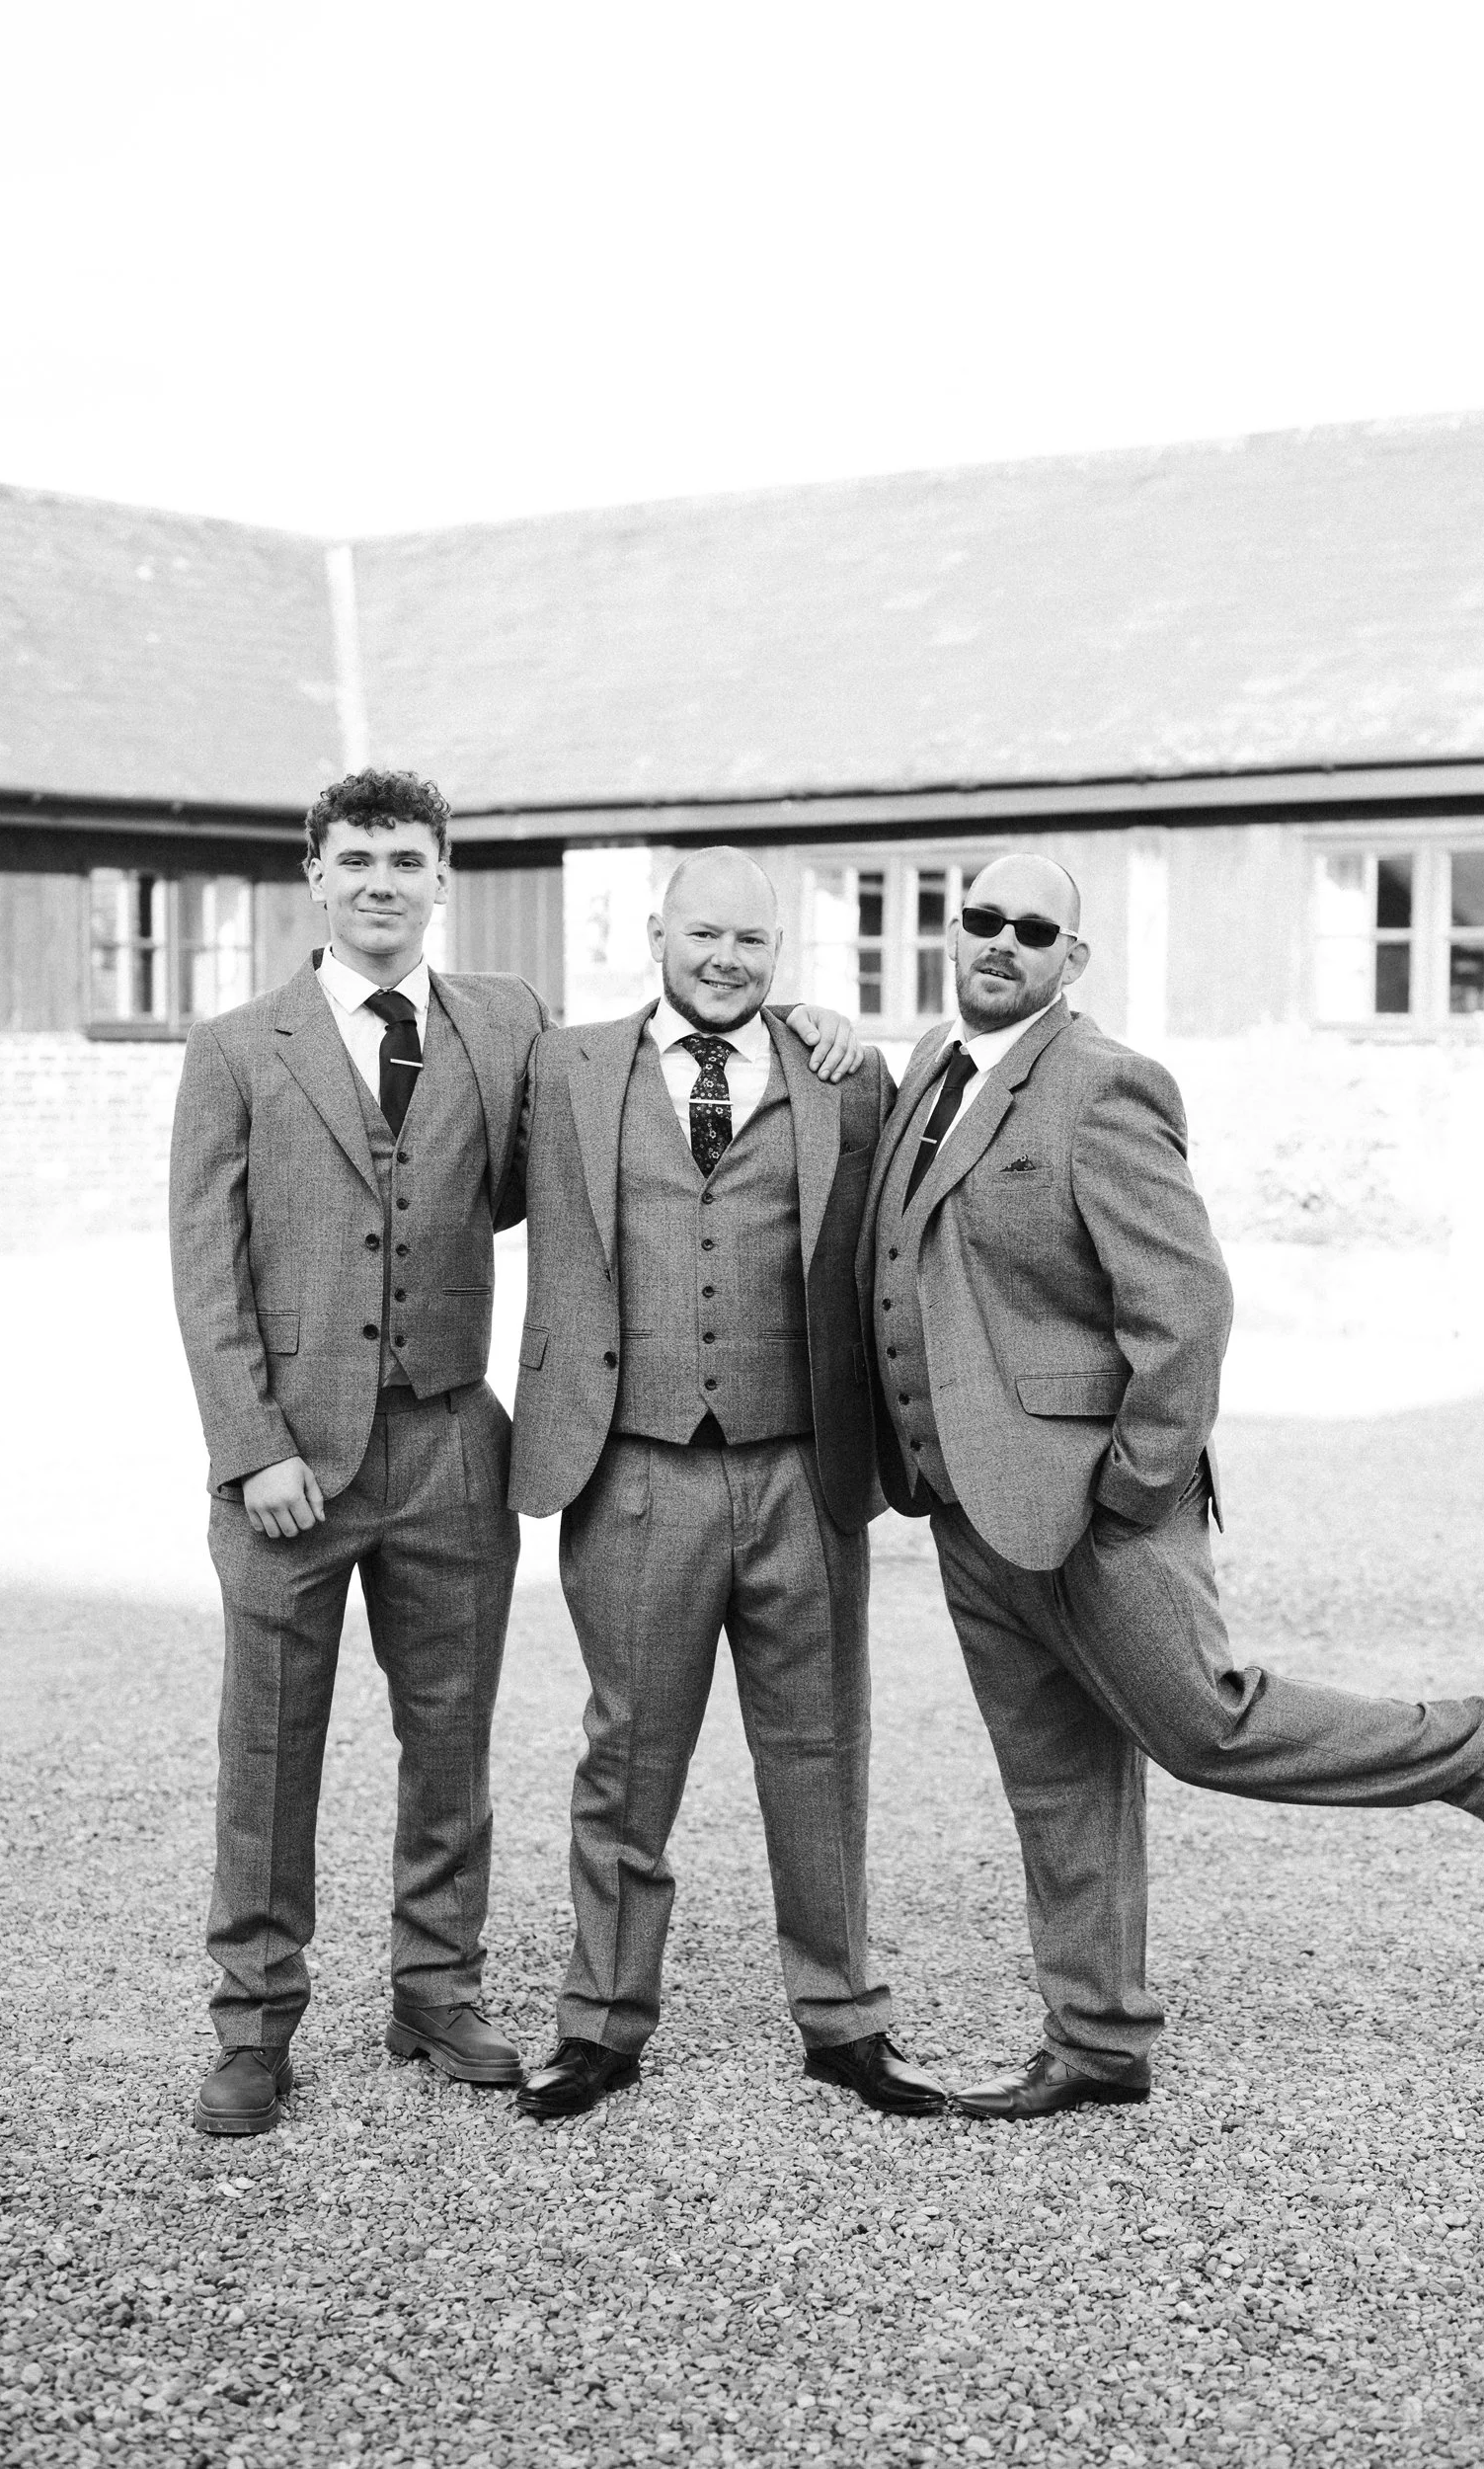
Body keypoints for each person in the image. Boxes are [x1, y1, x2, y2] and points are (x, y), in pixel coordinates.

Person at [170, 776, 862, 2136]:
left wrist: (807, 1025)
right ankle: (254, 2026)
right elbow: (204, 1271)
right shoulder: (239, 1046)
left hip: (452, 1445)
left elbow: (675, 1058)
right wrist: (252, 1447)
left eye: (408, 861)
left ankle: (436, 1993)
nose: (382, 881)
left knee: (451, 1742)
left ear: (445, 879)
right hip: (290, 1465)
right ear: (314, 874)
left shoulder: (509, 1028)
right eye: (356, 858)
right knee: (269, 1748)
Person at [860, 850, 1484, 2122]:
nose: (1001, 942)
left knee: (1205, 1726)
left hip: (1097, 1504)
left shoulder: (1103, 1084)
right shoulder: (925, 1073)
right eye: (981, 920)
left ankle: (1482, 1749)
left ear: (1074, 959)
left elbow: (1186, 1307)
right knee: (1058, 1779)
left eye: (1035, 928)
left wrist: (1133, 1487)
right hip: (964, 1507)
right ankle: (1097, 2039)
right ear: (950, 935)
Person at [508, 846, 944, 2120]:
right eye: (705, 934)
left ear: (780, 954)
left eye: (752, 942)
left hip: (803, 1469)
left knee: (818, 1751)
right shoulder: (566, 1066)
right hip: (634, 1468)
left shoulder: (840, 1077)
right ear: (658, 931)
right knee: (628, 1756)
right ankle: (600, 2024)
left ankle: (843, 2020)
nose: (727, 959)